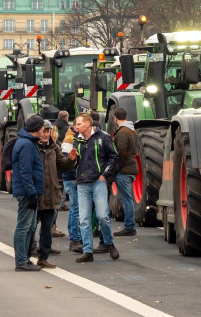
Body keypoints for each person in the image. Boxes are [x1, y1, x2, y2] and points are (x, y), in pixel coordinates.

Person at [68, 113, 120, 262]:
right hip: (83, 183)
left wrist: (104, 174)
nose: (75, 127)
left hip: (98, 182)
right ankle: (88, 251)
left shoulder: (102, 138)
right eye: (75, 124)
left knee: (102, 216)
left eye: (78, 124)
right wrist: (71, 160)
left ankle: (109, 243)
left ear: (87, 124)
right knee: (84, 219)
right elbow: (75, 162)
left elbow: (113, 157)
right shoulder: (77, 140)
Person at [36, 121, 75, 268]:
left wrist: (71, 160)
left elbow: (63, 166)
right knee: (30, 226)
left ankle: (43, 257)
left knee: (47, 228)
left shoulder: (54, 148)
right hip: (36, 194)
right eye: (43, 131)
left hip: (51, 193)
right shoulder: (32, 147)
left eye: (48, 131)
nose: (46, 134)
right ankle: (27, 253)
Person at [10, 115, 46, 270]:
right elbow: (26, 171)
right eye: (43, 127)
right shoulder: (26, 144)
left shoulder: (27, 142)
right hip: (27, 191)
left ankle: (25, 258)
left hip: (30, 190)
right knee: (24, 226)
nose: (44, 130)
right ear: (38, 129)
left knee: (30, 226)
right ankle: (21, 261)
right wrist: (31, 192)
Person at [111, 108, 139, 236]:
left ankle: (129, 226)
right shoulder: (132, 130)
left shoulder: (122, 132)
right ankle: (130, 226)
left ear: (115, 118)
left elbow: (122, 152)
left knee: (126, 199)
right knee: (128, 199)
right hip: (131, 168)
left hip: (124, 170)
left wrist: (117, 167)